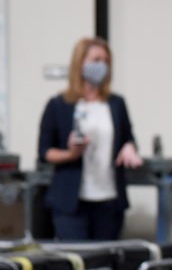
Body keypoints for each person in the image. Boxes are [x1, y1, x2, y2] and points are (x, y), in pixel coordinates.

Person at [37, 37, 143, 240]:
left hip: (109, 200)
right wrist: (70, 153)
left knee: (106, 263)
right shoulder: (59, 104)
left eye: (105, 61)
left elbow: (128, 138)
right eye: (96, 60)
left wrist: (130, 147)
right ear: (80, 63)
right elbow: (44, 152)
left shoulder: (116, 103)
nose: (101, 65)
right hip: (71, 202)